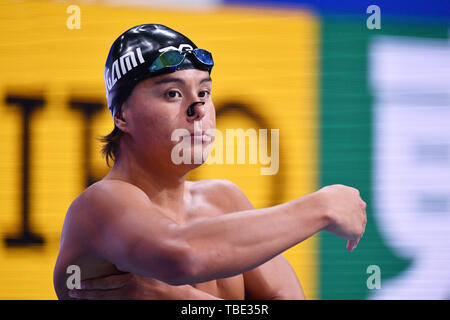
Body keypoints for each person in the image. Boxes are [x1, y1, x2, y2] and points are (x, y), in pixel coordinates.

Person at [53, 24, 367, 300]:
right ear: (122, 115)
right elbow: (184, 256)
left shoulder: (223, 199)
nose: (199, 108)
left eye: (204, 91)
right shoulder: (97, 207)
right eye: (173, 93)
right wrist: (322, 207)